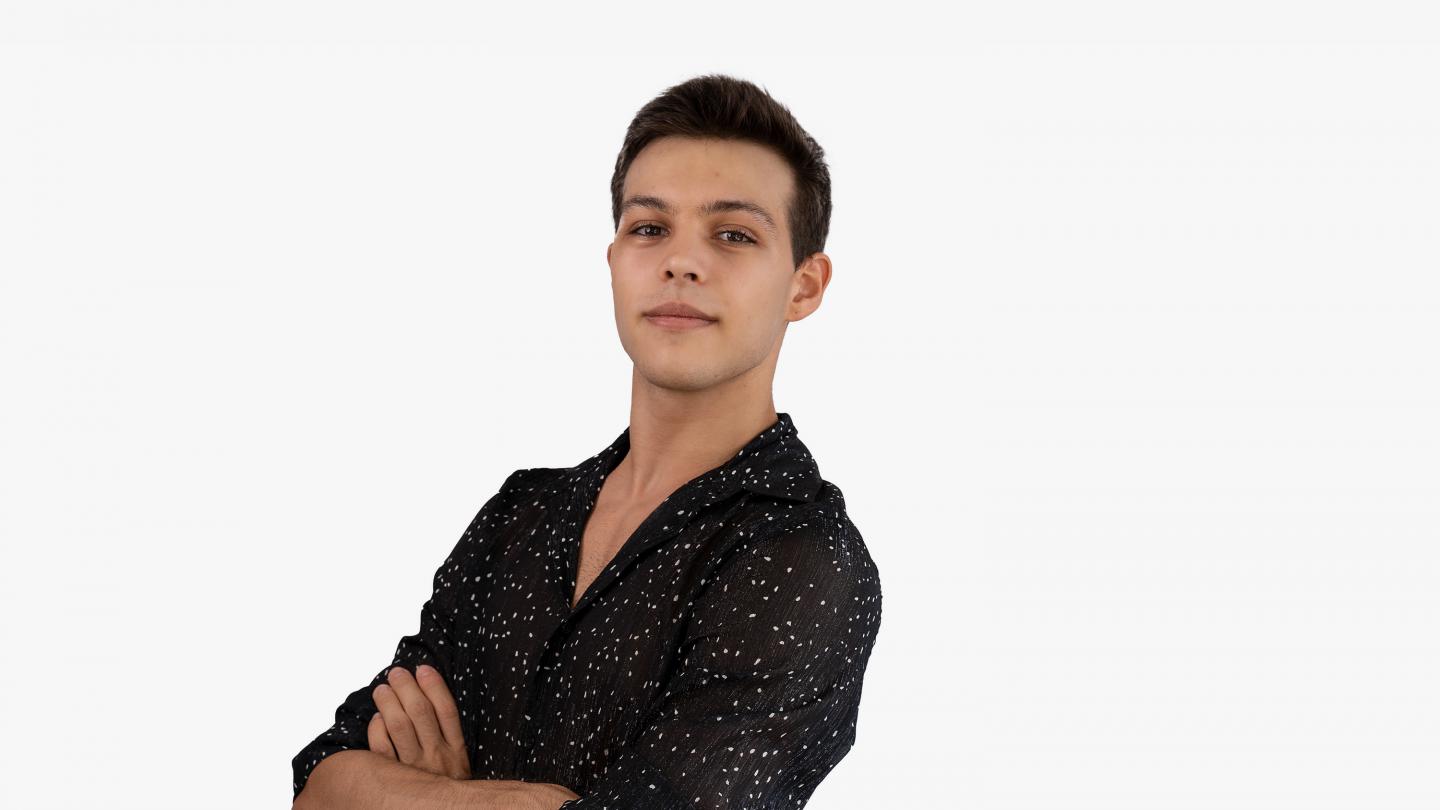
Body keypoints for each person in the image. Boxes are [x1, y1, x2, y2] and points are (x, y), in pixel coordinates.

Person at [291, 72, 883, 810]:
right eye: (649, 227)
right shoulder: (521, 514)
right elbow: (321, 783)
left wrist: (433, 794)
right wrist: (524, 802)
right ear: (614, 262)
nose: (681, 261)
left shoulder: (803, 559)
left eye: (733, 234)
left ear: (804, 285)